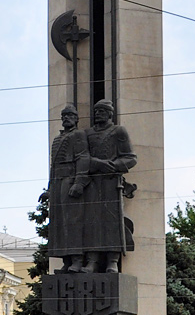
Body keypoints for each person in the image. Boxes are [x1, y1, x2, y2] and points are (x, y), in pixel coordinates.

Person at [69, 99, 136, 273]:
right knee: (91, 222)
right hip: (91, 183)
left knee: (112, 221)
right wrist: (96, 163)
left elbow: (131, 158)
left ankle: (112, 261)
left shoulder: (118, 131)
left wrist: (114, 165)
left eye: (102, 111)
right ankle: (92, 261)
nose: (98, 114)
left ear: (110, 114)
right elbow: (81, 157)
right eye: (96, 111)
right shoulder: (87, 134)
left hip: (111, 183)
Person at [45, 104, 89, 272]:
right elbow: (53, 166)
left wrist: (79, 182)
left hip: (70, 179)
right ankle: (66, 260)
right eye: (64, 116)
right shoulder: (57, 139)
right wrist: (49, 189)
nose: (66, 119)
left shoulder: (78, 135)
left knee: (73, 221)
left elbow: (83, 158)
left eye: (70, 116)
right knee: (59, 223)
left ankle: (77, 259)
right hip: (57, 181)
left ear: (76, 119)